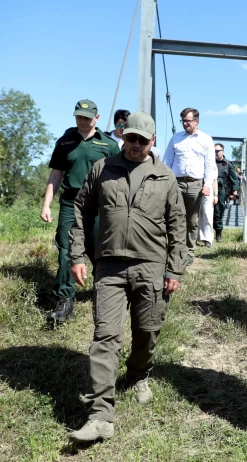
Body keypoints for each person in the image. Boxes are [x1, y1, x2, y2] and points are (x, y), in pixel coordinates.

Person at [68, 111, 186, 443]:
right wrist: (77, 255)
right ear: (123, 136)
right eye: (130, 138)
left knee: (147, 331)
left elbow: (179, 226)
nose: (134, 145)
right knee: (106, 336)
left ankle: (138, 376)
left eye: (142, 140)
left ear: (153, 142)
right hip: (108, 266)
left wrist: (174, 268)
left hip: (151, 266)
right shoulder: (102, 169)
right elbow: (81, 211)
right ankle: (101, 416)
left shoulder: (164, 177)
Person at [40, 99, 120, 323]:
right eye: (78, 116)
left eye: (86, 117)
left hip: (99, 204)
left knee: (99, 250)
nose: (82, 120)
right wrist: (46, 204)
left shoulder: (109, 145)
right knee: (66, 249)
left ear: (97, 117)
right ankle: (64, 301)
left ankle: (104, 293)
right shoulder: (65, 142)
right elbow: (56, 175)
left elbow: (119, 179)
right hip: (70, 202)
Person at [163, 108, 217, 265]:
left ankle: (188, 253)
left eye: (188, 121)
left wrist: (207, 185)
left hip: (195, 184)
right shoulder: (176, 138)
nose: (185, 124)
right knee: (172, 216)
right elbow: (167, 160)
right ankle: (172, 250)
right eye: (183, 121)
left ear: (196, 121)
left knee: (192, 220)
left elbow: (210, 165)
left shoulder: (206, 139)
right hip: (176, 183)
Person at [211, 143, 239, 242]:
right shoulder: (209, 162)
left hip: (221, 192)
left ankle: (218, 235)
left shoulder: (228, 164)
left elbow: (234, 180)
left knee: (218, 213)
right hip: (208, 190)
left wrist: (234, 193)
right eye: (214, 151)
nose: (215, 153)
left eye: (217, 151)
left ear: (222, 152)